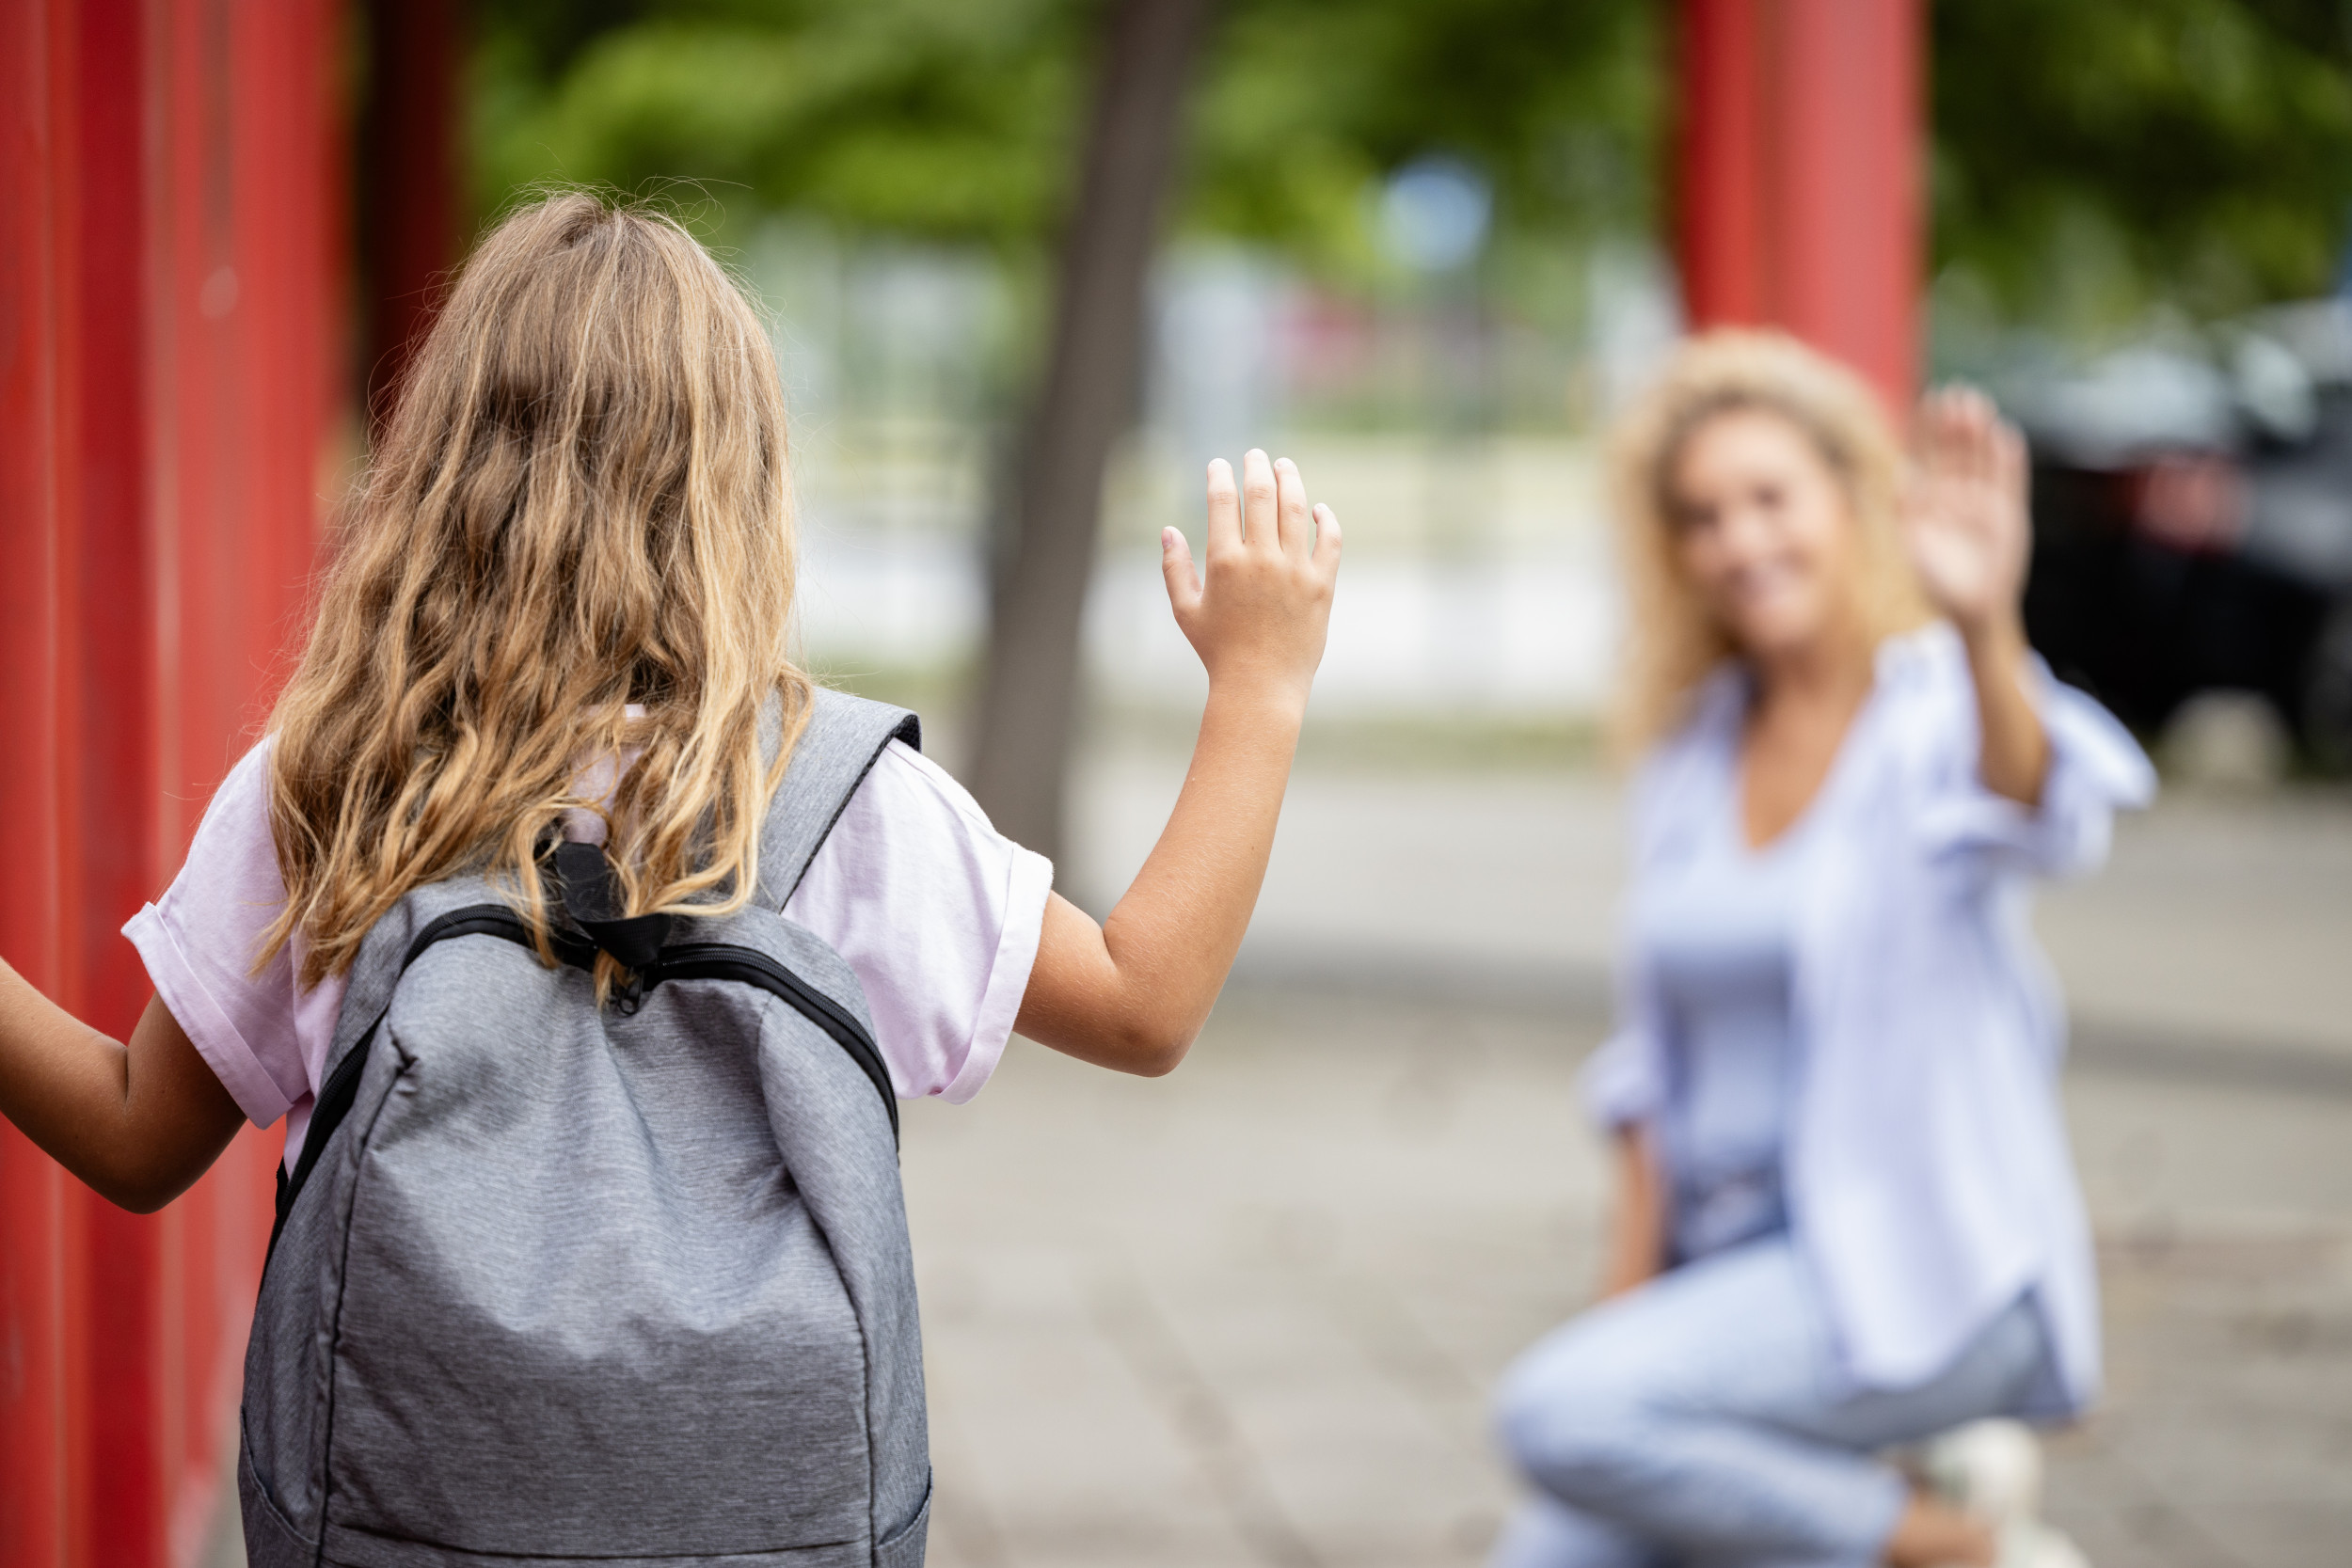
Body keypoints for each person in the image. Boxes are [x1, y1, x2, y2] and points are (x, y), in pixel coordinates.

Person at [0, 191, 1338, 1506]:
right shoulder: (823, 796)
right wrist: (1258, 688)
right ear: (740, 489)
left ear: (436, 467)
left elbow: (134, 1136)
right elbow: (1145, 1005)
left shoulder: (340, 777)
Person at [1490, 332, 2154, 1568]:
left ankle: (1949, 1545)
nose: (1739, 542)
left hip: (1929, 1274)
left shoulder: (1934, 710)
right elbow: (1650, 1076)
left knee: (1554, 1415)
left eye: (1769, 500)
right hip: (1736, 1281)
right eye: (1701, 517)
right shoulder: (1694, 755)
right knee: (1556, 1539)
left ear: (1852, 501)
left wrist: (1985, 627)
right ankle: (1907, 1506)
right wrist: (1629, 1324)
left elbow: (2040, 803)